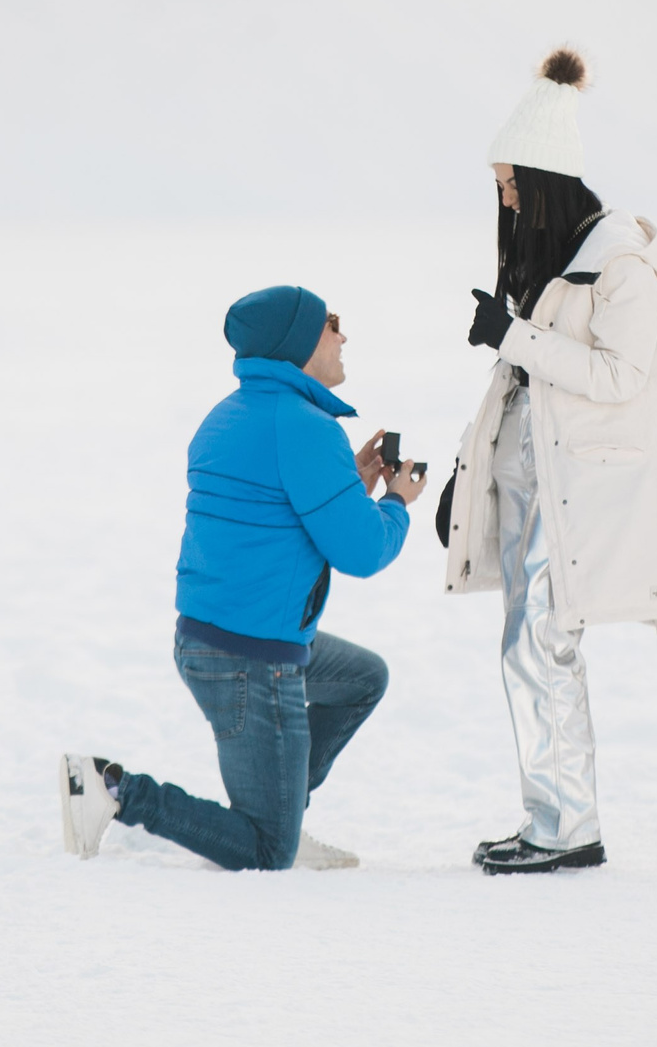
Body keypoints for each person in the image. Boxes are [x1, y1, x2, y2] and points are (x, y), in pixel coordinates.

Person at [435, 48, 657, 874]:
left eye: (514, 184)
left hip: (575, 495)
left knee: (543, 644)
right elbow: (518, 387)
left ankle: (567, 825)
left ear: (548, 180)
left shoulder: (620, 265)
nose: (507, 200)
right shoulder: (557, 263)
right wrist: (464, 475)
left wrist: (514, 334)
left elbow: (619, 377)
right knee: (525, 645)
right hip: (531, 485)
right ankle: (548, 816)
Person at [60, 285, 427, 870]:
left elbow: (279, 518)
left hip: (211, 638)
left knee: (362, 677)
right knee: (265, 850)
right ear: (300, 343)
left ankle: (284, 807)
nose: (343, 336)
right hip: (253, 659)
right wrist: (399, 503)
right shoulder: (305, 428)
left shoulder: (230, 415)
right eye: (332, 323)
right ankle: (114, 792)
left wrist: (350, 485)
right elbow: (360, 551)